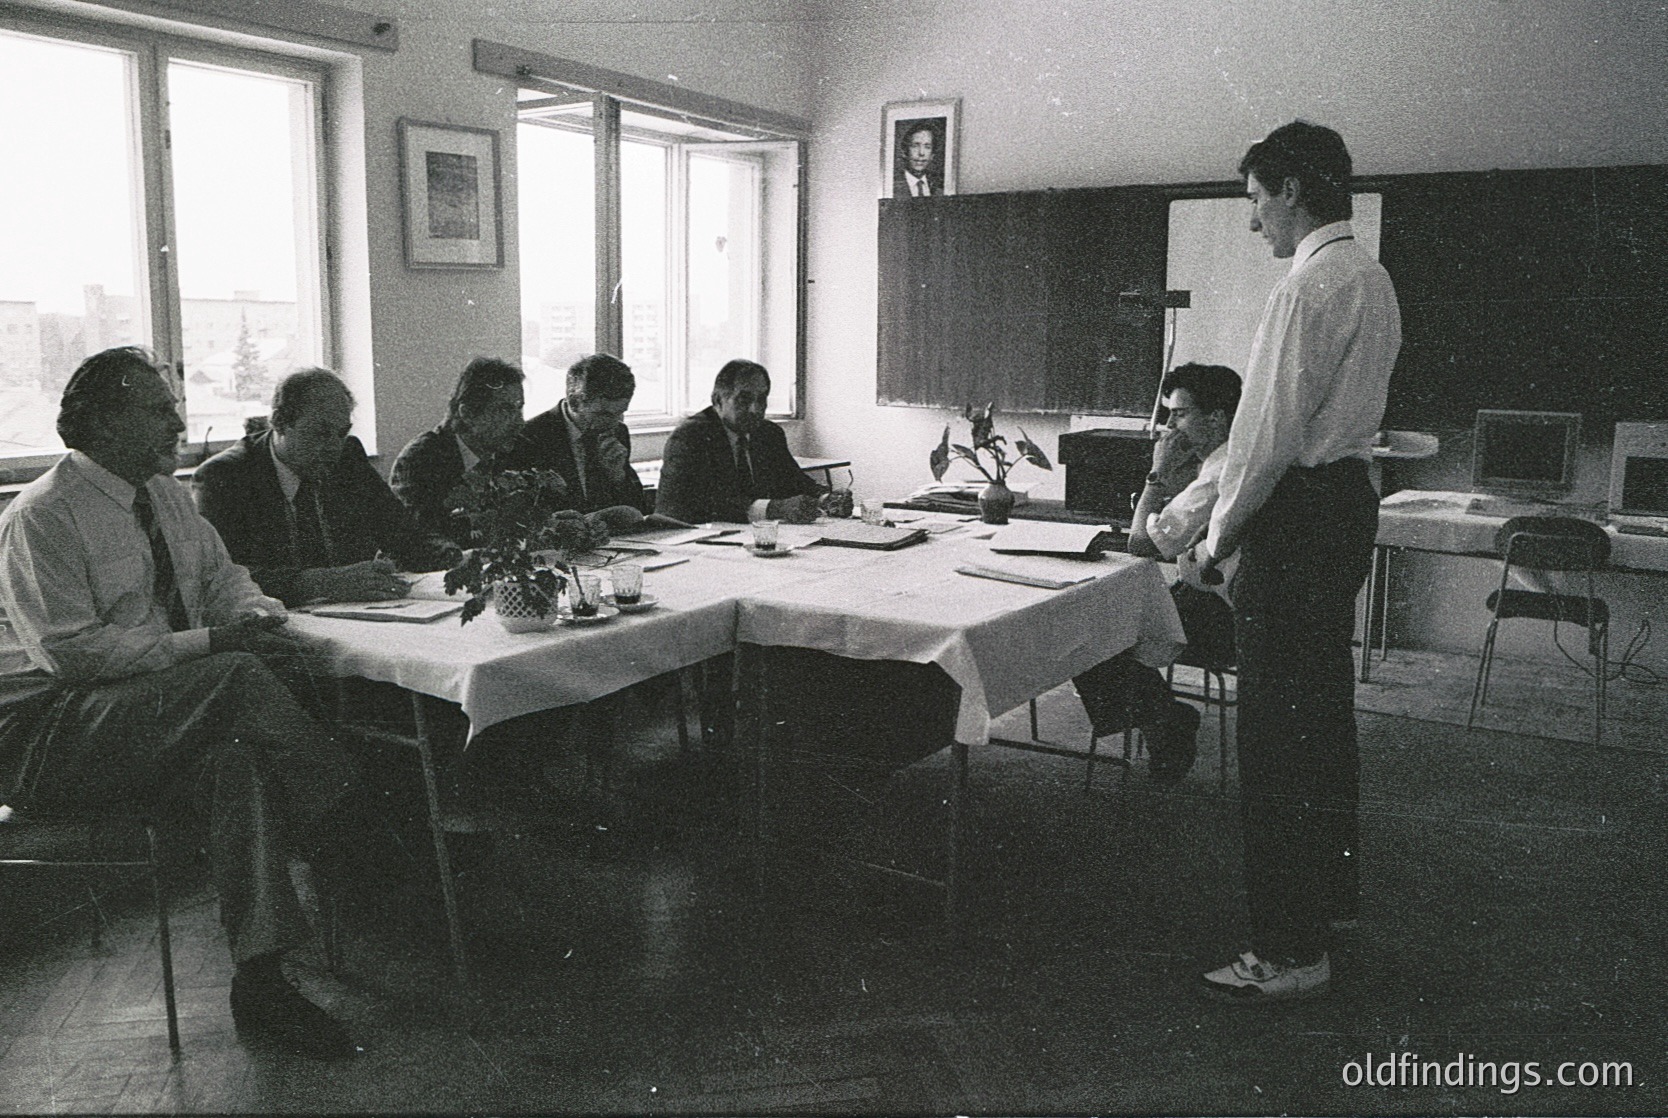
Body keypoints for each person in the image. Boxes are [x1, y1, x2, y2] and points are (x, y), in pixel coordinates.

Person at [0, 347, 361, 1058]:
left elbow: (225, 577)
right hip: (54, 730)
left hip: (160, 713)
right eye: (159, 409)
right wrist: (213, 645)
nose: (178, 420)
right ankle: (352, 820)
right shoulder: (40, 515)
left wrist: (254, 615)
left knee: (241, 765)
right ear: (103, 424)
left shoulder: (166, 493)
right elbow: (75, 656)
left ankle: (261, 984)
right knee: (232, 674)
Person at [1194, 121, 1402, 1002]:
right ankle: (1328, 907)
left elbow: (1263, 440)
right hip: (1345, 505)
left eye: (1254, 201)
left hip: (1298, 514)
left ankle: (1286, 947)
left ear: (1291, 191)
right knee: (1322, 720)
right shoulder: (1374, 278)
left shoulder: (1307, 288)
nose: (1253, 224)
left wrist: (1215, 539)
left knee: (1277, 741)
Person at [1071, 363, 1241, 784]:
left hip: (1221, 615)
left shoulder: (1220, 472)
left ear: (1216, 417)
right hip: (1214, 595)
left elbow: (1141, 545)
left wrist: (1157, 476)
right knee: (1095, 621)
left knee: (1085, 632)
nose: (1168, 426)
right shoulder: (1231, 459)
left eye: (1178, 414)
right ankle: (1163, 716)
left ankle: (1165, 720)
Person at [196, 368, 455, 606]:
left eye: (341, 433)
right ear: (280, 422)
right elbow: (221, 578)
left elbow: (402, 531)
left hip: (356, 614)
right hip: (276, 619)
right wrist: (319, 582)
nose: (334, 447)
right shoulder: (226, 476)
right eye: (321, 433)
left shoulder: (348, 457)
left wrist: (459, 559)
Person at [656, 359, 852, 525]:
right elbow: (689, 504)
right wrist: (772, 509)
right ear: (717, 400)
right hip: (698, 546)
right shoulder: (691, 436)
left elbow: (794, 481)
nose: (755, 409)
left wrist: (824, 498)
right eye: (744, 399)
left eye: (762, 399)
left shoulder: (768, 433)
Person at [391, 357, 526, 544]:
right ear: (468, 413)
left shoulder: (510, 450)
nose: (520, 423)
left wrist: (548, 524)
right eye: (505, 410)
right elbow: (419, 541)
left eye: (519, 409)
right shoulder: (421, 460)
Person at [500, 353, 648, 514]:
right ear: (575, 402)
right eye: (603, 414)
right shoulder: (529, 436)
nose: (613, 423)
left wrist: (618, 477)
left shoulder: (618, 432)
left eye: (620, 412)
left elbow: (639, 509)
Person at [894, 122, 942, 198]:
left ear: (932, 155)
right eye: (915, 146)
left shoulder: (939, 191)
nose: (921, 153)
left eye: (927, 147)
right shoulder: (891, 187)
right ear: (904, 152)